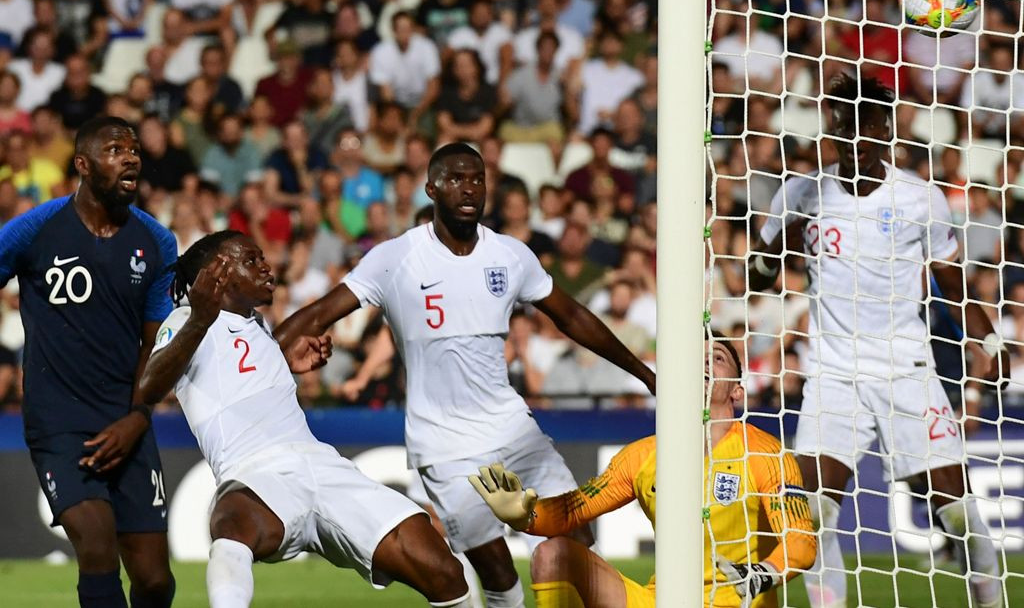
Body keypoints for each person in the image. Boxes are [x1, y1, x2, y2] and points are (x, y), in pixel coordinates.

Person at [275, 142, 656, 608]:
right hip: (444, 444)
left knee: (576, 540)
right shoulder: (395, 258)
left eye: (477, 178)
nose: (468, 187)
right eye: (455, 178)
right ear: (431, 188)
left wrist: (645, 373)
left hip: (513, 429)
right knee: (495, 570)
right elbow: (315, 315)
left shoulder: (510, 255)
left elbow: (572, 317)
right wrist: (269, 362)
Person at [748, 73, 1009, 608]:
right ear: (833, 130)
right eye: (845, 127)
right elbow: (754, 275)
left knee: (951, 509)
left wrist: (988, 342)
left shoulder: (920, 197)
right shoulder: (800, 193)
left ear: (887, 130)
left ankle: (989, 587)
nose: (857, 139)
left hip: (905, 370)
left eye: (868, 127)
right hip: (833, 373)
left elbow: (950, 280)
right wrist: (779, 251)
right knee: (814, 511)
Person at [138, 231, 475, 608]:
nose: (266, 266)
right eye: (250, 260)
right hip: (256, 472)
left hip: (321, 464)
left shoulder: (259, 325)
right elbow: (149, 387)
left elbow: (241, 373)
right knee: (232, 524)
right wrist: (199, 318)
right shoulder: (185, 320)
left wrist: (283, 361)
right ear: (218, 273)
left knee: (441, 567)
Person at [470, 334, 816, 607]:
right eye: (696, 356)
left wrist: (763, 574)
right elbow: (570, 512)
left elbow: (801, 541)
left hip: (734, 601)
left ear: (738, 390)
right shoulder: (643, 455)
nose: (705, 361)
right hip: (658, 602)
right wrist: (525, 517)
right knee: (553, 554)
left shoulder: (765, 452)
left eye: (718, 358)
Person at [0, 117, 177, 607]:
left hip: (128, 420)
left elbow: (156, 345)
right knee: (97, 550)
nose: (131, 157)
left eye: (135, 148)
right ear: (83, 163)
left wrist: (138, 417)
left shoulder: (158, 242)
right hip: (58, 423)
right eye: (116, 148)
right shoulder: (37, 228)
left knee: (155, 579)